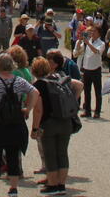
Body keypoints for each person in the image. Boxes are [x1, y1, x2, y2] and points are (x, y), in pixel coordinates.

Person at [0, 51, 41, 196]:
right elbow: (35, 92)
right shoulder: (19, 81)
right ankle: (13, 188)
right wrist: (27, 109)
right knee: (13, 154)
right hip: (15, 120)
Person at [30, 56, 79, 196]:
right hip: (66, 121)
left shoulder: (38, 85)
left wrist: (34, 128)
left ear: (34, 71)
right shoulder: (59, 79)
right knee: (62, 153)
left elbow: (38, 110)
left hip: (49, 123)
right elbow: (79, 85)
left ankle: (52, 185)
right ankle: (61, 185)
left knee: (50, 154)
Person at [74, 25, 105, 118]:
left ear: (99, 33)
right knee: (87, 91)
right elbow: (79, 50)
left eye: (94, 31)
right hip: (86, 69)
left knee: (97, 92)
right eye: (92, 31)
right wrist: (79, 41)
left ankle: (97, 111)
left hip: (96, 69)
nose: (92, 33)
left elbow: (97, 51)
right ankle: (87, 111)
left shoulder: (101, 43)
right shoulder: (88, 41)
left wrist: (88, 43)